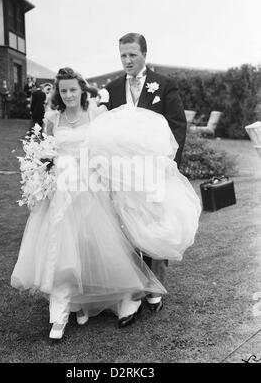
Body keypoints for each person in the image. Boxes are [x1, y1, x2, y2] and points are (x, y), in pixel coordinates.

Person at [11, 67, 175, 340]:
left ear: (82, 90)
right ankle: (63, 312)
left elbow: (107, 148)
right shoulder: (52, 117)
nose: (69, 95)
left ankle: (92, 302)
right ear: (58, 92)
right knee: (62, 246)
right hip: (61, 192)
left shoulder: (95, 114)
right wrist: (43, 168)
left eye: (73, 89)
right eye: (63, 91)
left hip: (90, 189)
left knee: (93, 245)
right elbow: (48, 149)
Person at [99, 32, 188, 320]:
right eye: (123, 55)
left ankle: (156, 287)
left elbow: (177, 125)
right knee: (127, 227)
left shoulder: (165, 85)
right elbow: (104, 132)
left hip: (155, 169)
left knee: (155, 225)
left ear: (144, 55)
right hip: (123, 174)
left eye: (132, 55)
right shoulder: (112, 89)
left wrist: (168, 162)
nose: (127, 60)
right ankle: (135, 285)